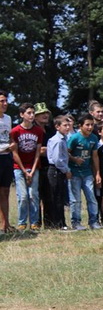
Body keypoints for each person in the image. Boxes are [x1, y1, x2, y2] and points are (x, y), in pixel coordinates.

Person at [10, 103, 44, 231]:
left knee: (33, 195)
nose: (31, 115)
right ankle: (22, 222)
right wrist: (25, 171)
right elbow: (15, 153)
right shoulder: (15, 131)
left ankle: (34, 222)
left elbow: (37, 152)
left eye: (33, 113)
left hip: (34, 167)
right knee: (23, 196)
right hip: (19, 168)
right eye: (29, 113)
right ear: (21, 115)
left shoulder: (38, 131)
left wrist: (33, 170)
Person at [67, 113, 101, 230]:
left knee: (91, 197)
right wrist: (74, 159)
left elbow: (95, 157)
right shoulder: (74, 138)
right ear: (80, 126)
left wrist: (97, 173)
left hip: (87, 173)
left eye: (92, 125)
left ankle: (93, 221)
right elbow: (66, 152)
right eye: (87, 125)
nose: (90, 127)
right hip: (74, 172)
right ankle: (76, 222)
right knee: (76, 199)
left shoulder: (94, 138)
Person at [47, 115, 72, 230]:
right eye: (65, 125)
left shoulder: (63, 139)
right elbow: (57, 160)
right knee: (56, 197)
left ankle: (61, 222)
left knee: (60, 197)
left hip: (59, 170)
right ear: (57, 127)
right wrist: (66, 170)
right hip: (56, 171)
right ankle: (58, 224)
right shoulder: (57, 141)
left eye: (68, 125)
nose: (67, 127)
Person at [34, 103, 56, 229]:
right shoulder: (34, 130)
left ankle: (49, 223)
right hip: (37, 166)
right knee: (36, 196)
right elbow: (38, 151)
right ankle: (36, 223)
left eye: (46, 113)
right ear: (35, 116)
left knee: (49, 196)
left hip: (49, 166)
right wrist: (49, 150)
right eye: (42, 113)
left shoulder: (50, 130)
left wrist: (46, 150)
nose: (45, 115)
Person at [0, 91, 16, 235]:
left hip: (6, 158)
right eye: (2, 101)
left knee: (5, 191)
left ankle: (5, 225)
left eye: (6, 101)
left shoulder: (8, 118)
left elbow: (9, 137)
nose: (5, 104)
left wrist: (12, 144)